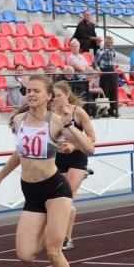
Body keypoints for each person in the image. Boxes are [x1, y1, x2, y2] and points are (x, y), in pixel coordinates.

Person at [0, 75, 95, 267]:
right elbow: (19, 153)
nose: (31, 94)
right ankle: (52, 229)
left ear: (48, 96)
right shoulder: (18, 120)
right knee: (25, 255)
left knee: (54, 252)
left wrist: (69, 127)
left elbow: (89, 148)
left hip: (56, 190)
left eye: (36, 90)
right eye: (28, 90)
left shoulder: (56, 122)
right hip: (31, 192)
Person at [51, 81, 96, 250]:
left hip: (77, 157)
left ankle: (66, 239)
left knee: (67, 196)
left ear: (67, 95)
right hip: (58, 159)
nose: (56, 99)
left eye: (59, 95)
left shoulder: (78, 112)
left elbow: (92, 137)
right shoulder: (50, 115)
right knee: (62, 199)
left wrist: (74, 145)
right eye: (53, 96)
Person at [95, 35, 120, 117]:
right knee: (105, 91)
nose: (109, 44)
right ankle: (104, 111)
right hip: (104, 72)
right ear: (105, 42)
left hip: (112, 71)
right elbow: (95, 62)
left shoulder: (114, 51)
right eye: (108, 42)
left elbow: (114, 63)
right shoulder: (100, 51)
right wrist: (98, 69)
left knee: (113, 91)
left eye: (111, 42)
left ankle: (112, 110)